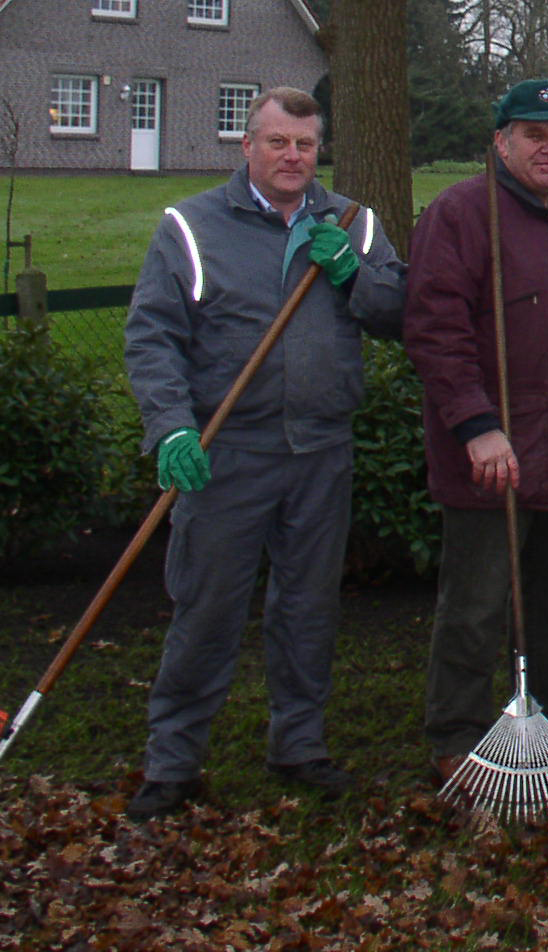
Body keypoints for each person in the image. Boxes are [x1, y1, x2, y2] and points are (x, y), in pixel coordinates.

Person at [123, 86, 405, 820]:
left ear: (320, 151)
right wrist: (172, 427)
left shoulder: (352, 222)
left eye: (305, 145)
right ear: (246, 146)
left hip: (320, 450)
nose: (292, 157)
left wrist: (353, 276)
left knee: (308, 607)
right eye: (277, 142)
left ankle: (299, 745)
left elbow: (401, 312)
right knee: (207, 608)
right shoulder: (190, 227)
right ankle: (173, 761)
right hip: (227, 453)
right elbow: (152, 336)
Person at [404, 77, 548, 778]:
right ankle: (457, 737)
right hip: (492, 457)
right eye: (535, 135)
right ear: (502, 142)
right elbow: (434, 329)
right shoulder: (462, 216)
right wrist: (475, 424)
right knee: (476, 603)